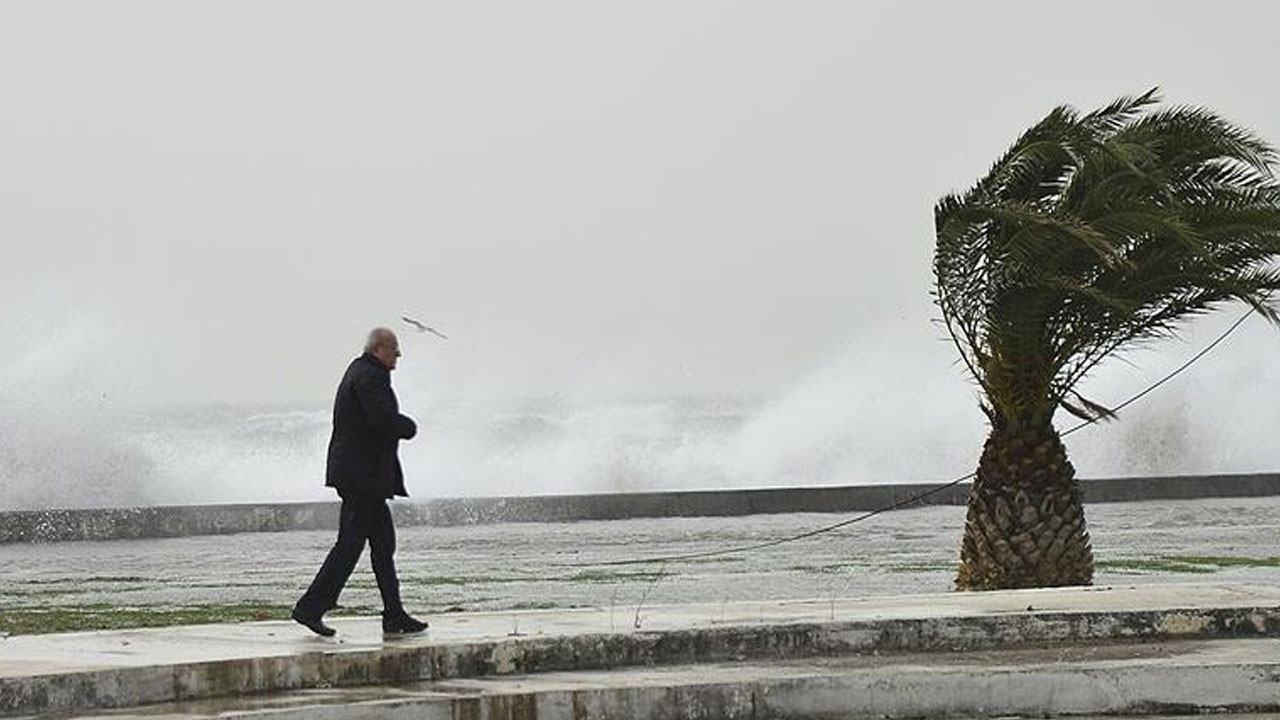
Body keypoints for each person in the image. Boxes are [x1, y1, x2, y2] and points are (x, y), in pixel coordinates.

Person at [291, 327, 429, 636]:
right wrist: (407, 426)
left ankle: (393, 614)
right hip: (361, 478)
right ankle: (310, 607)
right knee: (350, 545)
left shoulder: (362, 370)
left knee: (382, 546)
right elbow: (380, 419)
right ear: (379, 348)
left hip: (363, 478)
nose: (399, 355)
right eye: (394, 349)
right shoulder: (371, 376)